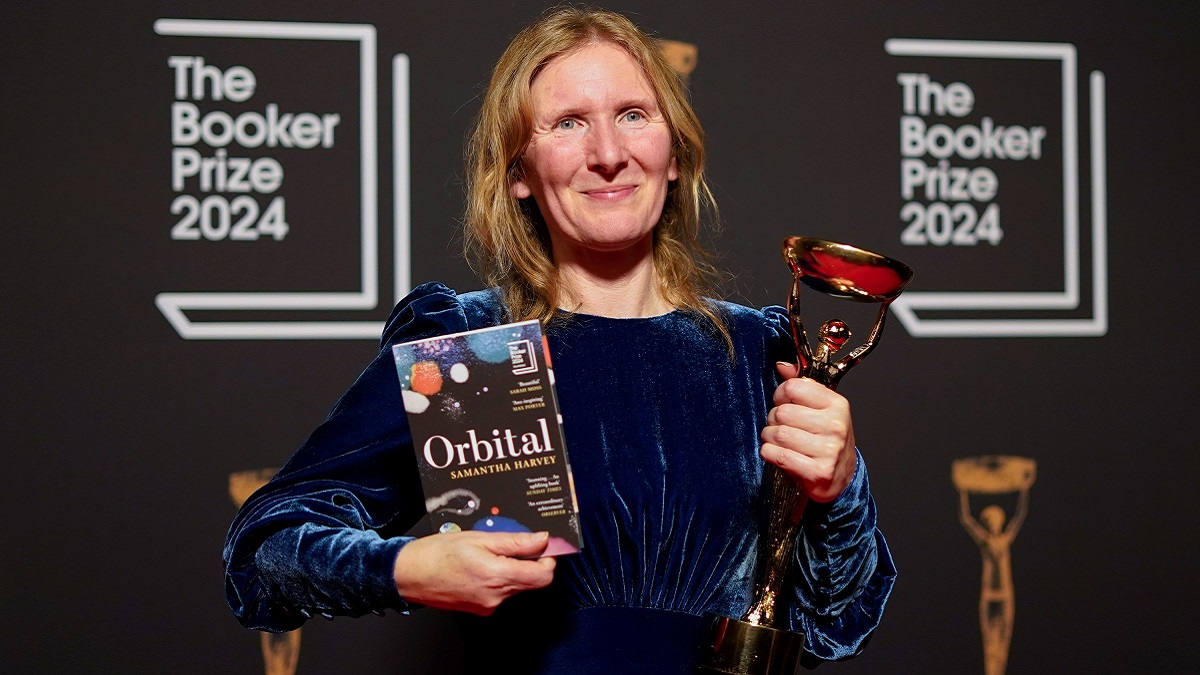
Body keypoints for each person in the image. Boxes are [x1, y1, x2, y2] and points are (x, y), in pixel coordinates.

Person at [224, 7, 895, 673]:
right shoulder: (472, 347)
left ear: (674, 155)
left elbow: (834, 623)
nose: (609, 153)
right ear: (519, 173)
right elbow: (262, 556)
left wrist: (842, 487)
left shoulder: (757, 352)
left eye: (633, 114)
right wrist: (404, 566)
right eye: (569, 123)